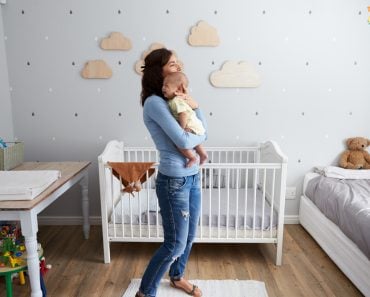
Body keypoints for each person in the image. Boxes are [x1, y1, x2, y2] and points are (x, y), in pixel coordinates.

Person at [136, 48, 207, 297]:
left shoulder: (172, 99)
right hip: (174, 180)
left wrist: (195, 105)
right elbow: (185, 140)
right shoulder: (155, 103)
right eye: (172, 64)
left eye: (178, 63)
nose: (178, 67)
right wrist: (196, 124)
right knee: (174, 242)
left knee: (188, 237)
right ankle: (145, 292)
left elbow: (204, 130)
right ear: (159, 70)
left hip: (193, 175)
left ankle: (177, 277)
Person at [162, 71, 208, 167]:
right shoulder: (177, 100)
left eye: (166, 86)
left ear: (178, 89)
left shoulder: (176, 101)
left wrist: (181, 129)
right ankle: (203, 154)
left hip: (189, 125)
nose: (163, 88)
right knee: (195, 141)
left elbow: (183, 114)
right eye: (163, 85)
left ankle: (192, 157)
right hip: (195, 126)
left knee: (178, 141)